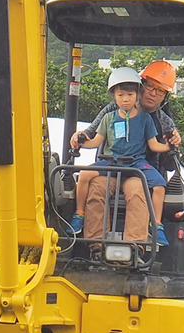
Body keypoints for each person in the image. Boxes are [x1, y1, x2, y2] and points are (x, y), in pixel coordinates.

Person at [67, 64, 176, 246]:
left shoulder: (160, 120)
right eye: (150, 87)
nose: (153, 93)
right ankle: (94, 243)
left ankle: (135, 246)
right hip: (110, 166)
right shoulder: (110, 113)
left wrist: (172, 143)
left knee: (138, 192)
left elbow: (165, 150)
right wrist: (79, 138)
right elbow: (92, 134)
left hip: (137, 170)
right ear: (142, 85)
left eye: (160, 91)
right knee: (95, 187)